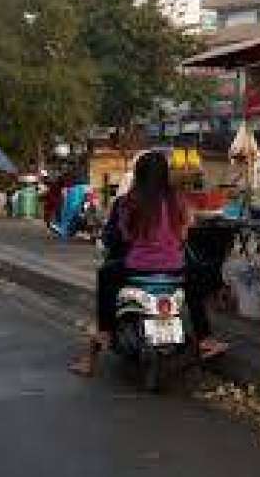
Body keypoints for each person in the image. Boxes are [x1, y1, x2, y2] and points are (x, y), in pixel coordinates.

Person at [69, 152, 226, 376]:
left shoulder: (127, 202)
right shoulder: (178, 200)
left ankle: (103, 334)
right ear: (165, 175)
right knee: (193, 289)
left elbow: (122, 236)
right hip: (174, 269)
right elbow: (183, 234)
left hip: (137, 268)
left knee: (106, 276)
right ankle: (206, 339)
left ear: (138, 175)